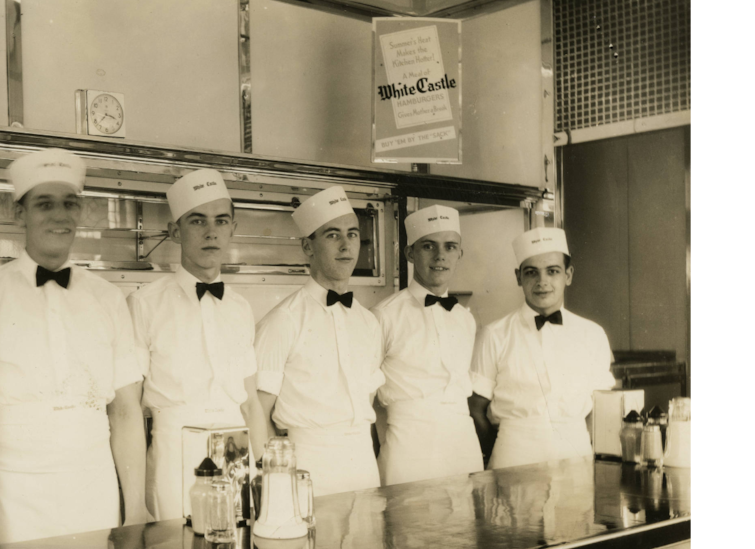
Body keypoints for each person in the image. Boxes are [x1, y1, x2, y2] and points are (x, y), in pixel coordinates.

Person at [0, 148, 146, 543]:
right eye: (45, 204)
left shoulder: (108, 298)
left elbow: (126, 411)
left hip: (94, 480)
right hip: (12, 485)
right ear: (20, 213)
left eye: (69, 204)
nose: (60, 216)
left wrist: (136, 507)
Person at [128, 168, 273, 520]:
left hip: (238, 453)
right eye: (197, 222)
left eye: (221, 221)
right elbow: (129, 409)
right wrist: (133, 505)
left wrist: (268, 472)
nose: (211, 232)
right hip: (175, 454)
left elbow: (251, 402)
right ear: (175, 231)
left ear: (233, 229)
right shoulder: (144, 303)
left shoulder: (239, 306)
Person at [254, 186, 386, 496]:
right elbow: (256, 411)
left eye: (353, 234)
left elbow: (366, 400)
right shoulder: (283, 320)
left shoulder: (368, 322)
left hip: (363, 463)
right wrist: (276, 478)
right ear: (308, 247)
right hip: (307, 464)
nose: (346, 245)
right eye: (332, 235)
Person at [469, 227, 616, 469]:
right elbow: (475, 409)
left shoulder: (593, 334)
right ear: (519, 277)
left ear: (568, 275)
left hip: (577, 456)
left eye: (552, 271)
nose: (542, 282)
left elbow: (600, 407)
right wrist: (505, 447)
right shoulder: (493, 335)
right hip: (513, 457)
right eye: (531, 273)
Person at [372, 205, 483, 485]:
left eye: (449, 246)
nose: (440, 256)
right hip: (408, 450)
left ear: (460, 252)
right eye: (428, 246)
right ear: (409, 253)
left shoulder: (465, 319)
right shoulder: (384, 315)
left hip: (463, 447)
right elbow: (367, 398)